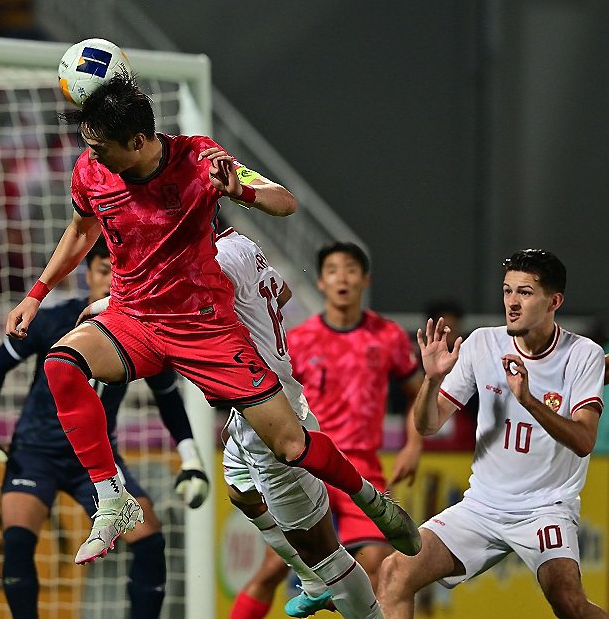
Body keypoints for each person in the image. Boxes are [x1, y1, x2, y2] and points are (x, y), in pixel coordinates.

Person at [3, 73, 417, 566]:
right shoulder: (91, 172)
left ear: (137, 142)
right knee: (61, 364)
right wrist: (37, 292)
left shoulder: (198, 159)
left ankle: (371, 500)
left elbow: (285, 201)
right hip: (134, 316)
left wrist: (238, 191)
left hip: (203, 326)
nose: (91, 156)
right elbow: (79, 232)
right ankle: (111, 499)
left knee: (289, 445)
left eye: (100, 147)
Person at [88, 225, 406, 619]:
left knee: (329, 556)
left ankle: (363, 526)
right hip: (255, 408)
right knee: (241, 493)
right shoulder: (241, 244)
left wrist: (109, 308)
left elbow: (170, 309)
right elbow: (281, 293)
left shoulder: (213, 265)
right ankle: (311, 577)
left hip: (268, 415)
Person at [0, 239, 209, 619]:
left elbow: (168, 398)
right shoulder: (57, 320)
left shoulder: (143, 333)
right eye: (103, 270)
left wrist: (191, 460)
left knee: (149, 540)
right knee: (17, 542)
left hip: (96, 460)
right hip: (35, 452)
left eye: (119, 272)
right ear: (88, 273)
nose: (111, 280)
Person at [379, 249, 609, 619]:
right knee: (394, 573)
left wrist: (529, 400)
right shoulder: (482, 343)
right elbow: (429, 424)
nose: (512, 303)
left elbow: (584, 441)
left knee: (569, 602)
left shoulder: (583, 355)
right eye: (507, 291)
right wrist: (432, 380)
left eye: (525, 293)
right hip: (482, 506)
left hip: (545, 508)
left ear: (555, 301)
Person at [280, 242, 425, 586]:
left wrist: (414, 446)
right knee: (275, 571)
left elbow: (418, 393)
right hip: (309, 465)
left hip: (360, 466)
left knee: (377, 566)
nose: (341, 278)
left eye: (350, 270)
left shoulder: (387, 336)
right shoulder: (299, 340)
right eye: (332, 270)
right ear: (320, 282)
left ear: (365, 280)